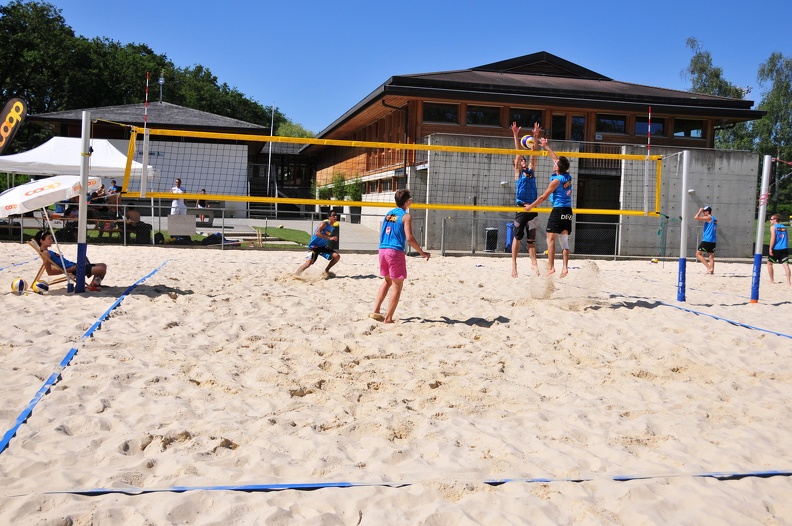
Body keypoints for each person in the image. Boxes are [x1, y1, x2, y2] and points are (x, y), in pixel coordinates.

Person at [370, 189, 431, 323]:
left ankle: (376, 311)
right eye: (411, 200)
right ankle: (388, 318)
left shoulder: (388, 214)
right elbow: (409, 237)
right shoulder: (406, 216)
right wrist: (421, 252)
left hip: (382, 250)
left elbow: (383, 232)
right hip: (394, 252)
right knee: (397, 286)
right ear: (408, 201)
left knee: (387, 281)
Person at [524, 138, 573, 277]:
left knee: (550, 240)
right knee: (564, 242)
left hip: (558, 210)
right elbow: (556, 158)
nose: (554, 163)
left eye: (556, 164)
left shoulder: (556, 181)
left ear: (558, 167)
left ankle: (551, 267)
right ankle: (565, 267)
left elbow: (543, 197)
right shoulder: (567, 176)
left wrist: (530, 207)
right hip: (568, 211)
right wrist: (546, 146)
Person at [510, 121, 541, 278]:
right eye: (520, 160)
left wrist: (535, 137)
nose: (522, 160)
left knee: (531, 241)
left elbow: (534, 154)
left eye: (523, 160)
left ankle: (534, 264)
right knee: (517, 237)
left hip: (533, 209)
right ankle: (514, 265)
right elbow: (517, 153)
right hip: (522, 208)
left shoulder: (531, 171)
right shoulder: (518, 173)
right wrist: (515, 135)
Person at [34, 230, 108, 291]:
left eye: (51, 238)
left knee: (103, 265)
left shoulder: (47, 252)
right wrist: (69, 270)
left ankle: (94, 284)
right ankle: (94, 285)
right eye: (49, 239)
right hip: (74, 270)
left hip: (74, 266)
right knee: (102, 269)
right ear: (41, 241)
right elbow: (49, 272)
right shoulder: (45, 253)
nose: (51, 240)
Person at [295, 210, 341, 278]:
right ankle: (296, 275)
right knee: (308, 263)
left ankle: (326, 271)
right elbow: (317, 233)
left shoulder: (332, 227)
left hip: (323, 247)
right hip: (314, 246)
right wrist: (329, 238)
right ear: (329, 217)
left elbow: (326, 236)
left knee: (337, 256)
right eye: (333, 215)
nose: (335, 216)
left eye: (336, 215)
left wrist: (333, 238)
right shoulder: (324, 224)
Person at [767, 214, 790, 286]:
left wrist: (770, 248)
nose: (770, 220)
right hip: (784, 248)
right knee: (786, 265)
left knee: (769, 263)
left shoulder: (773, 227)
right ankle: (789, 282)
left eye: (771, 219)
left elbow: (773, 238)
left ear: (775, 219)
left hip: (776, 248)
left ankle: (772, 280)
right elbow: (787, 238)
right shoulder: (784, 227)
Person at [694, 205, 717, 274]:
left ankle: (708, 267)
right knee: (711, 255)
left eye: (704, 211)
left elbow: (696, 217)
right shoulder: (714, 218)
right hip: (713, 240)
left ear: (707, 212)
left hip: (707, 239)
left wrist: (699, 211)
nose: (703, 213)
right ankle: (712, 270)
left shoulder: (708, 217)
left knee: (698, 254)